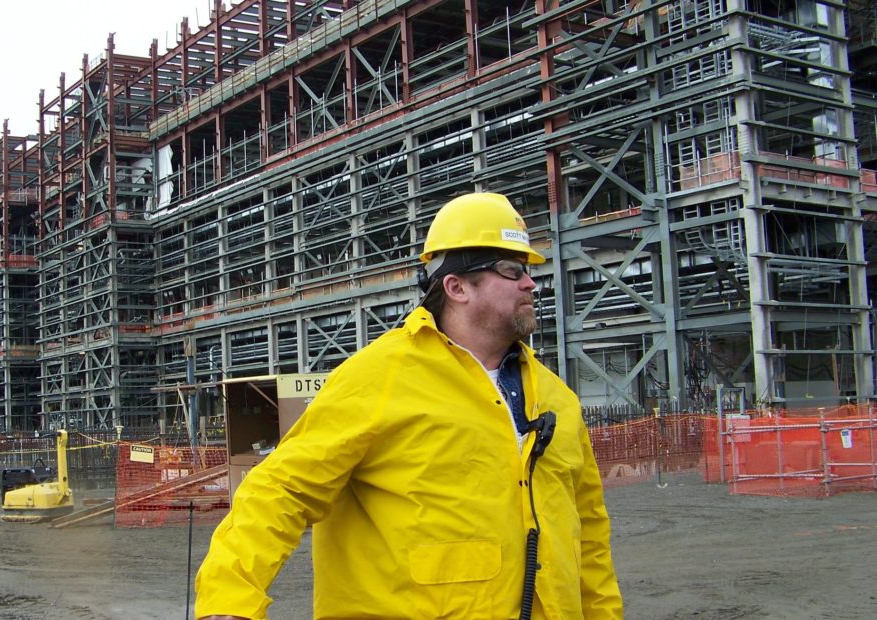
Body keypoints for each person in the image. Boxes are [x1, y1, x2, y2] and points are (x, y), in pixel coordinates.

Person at [194, 192, 623, 619]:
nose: (530, 283)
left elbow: (589, 538)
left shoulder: (557, 400)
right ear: (456, 287)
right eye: (511, 271)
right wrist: (229, 601)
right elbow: (281, 490)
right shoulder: (380, 378)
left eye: (528, 271)